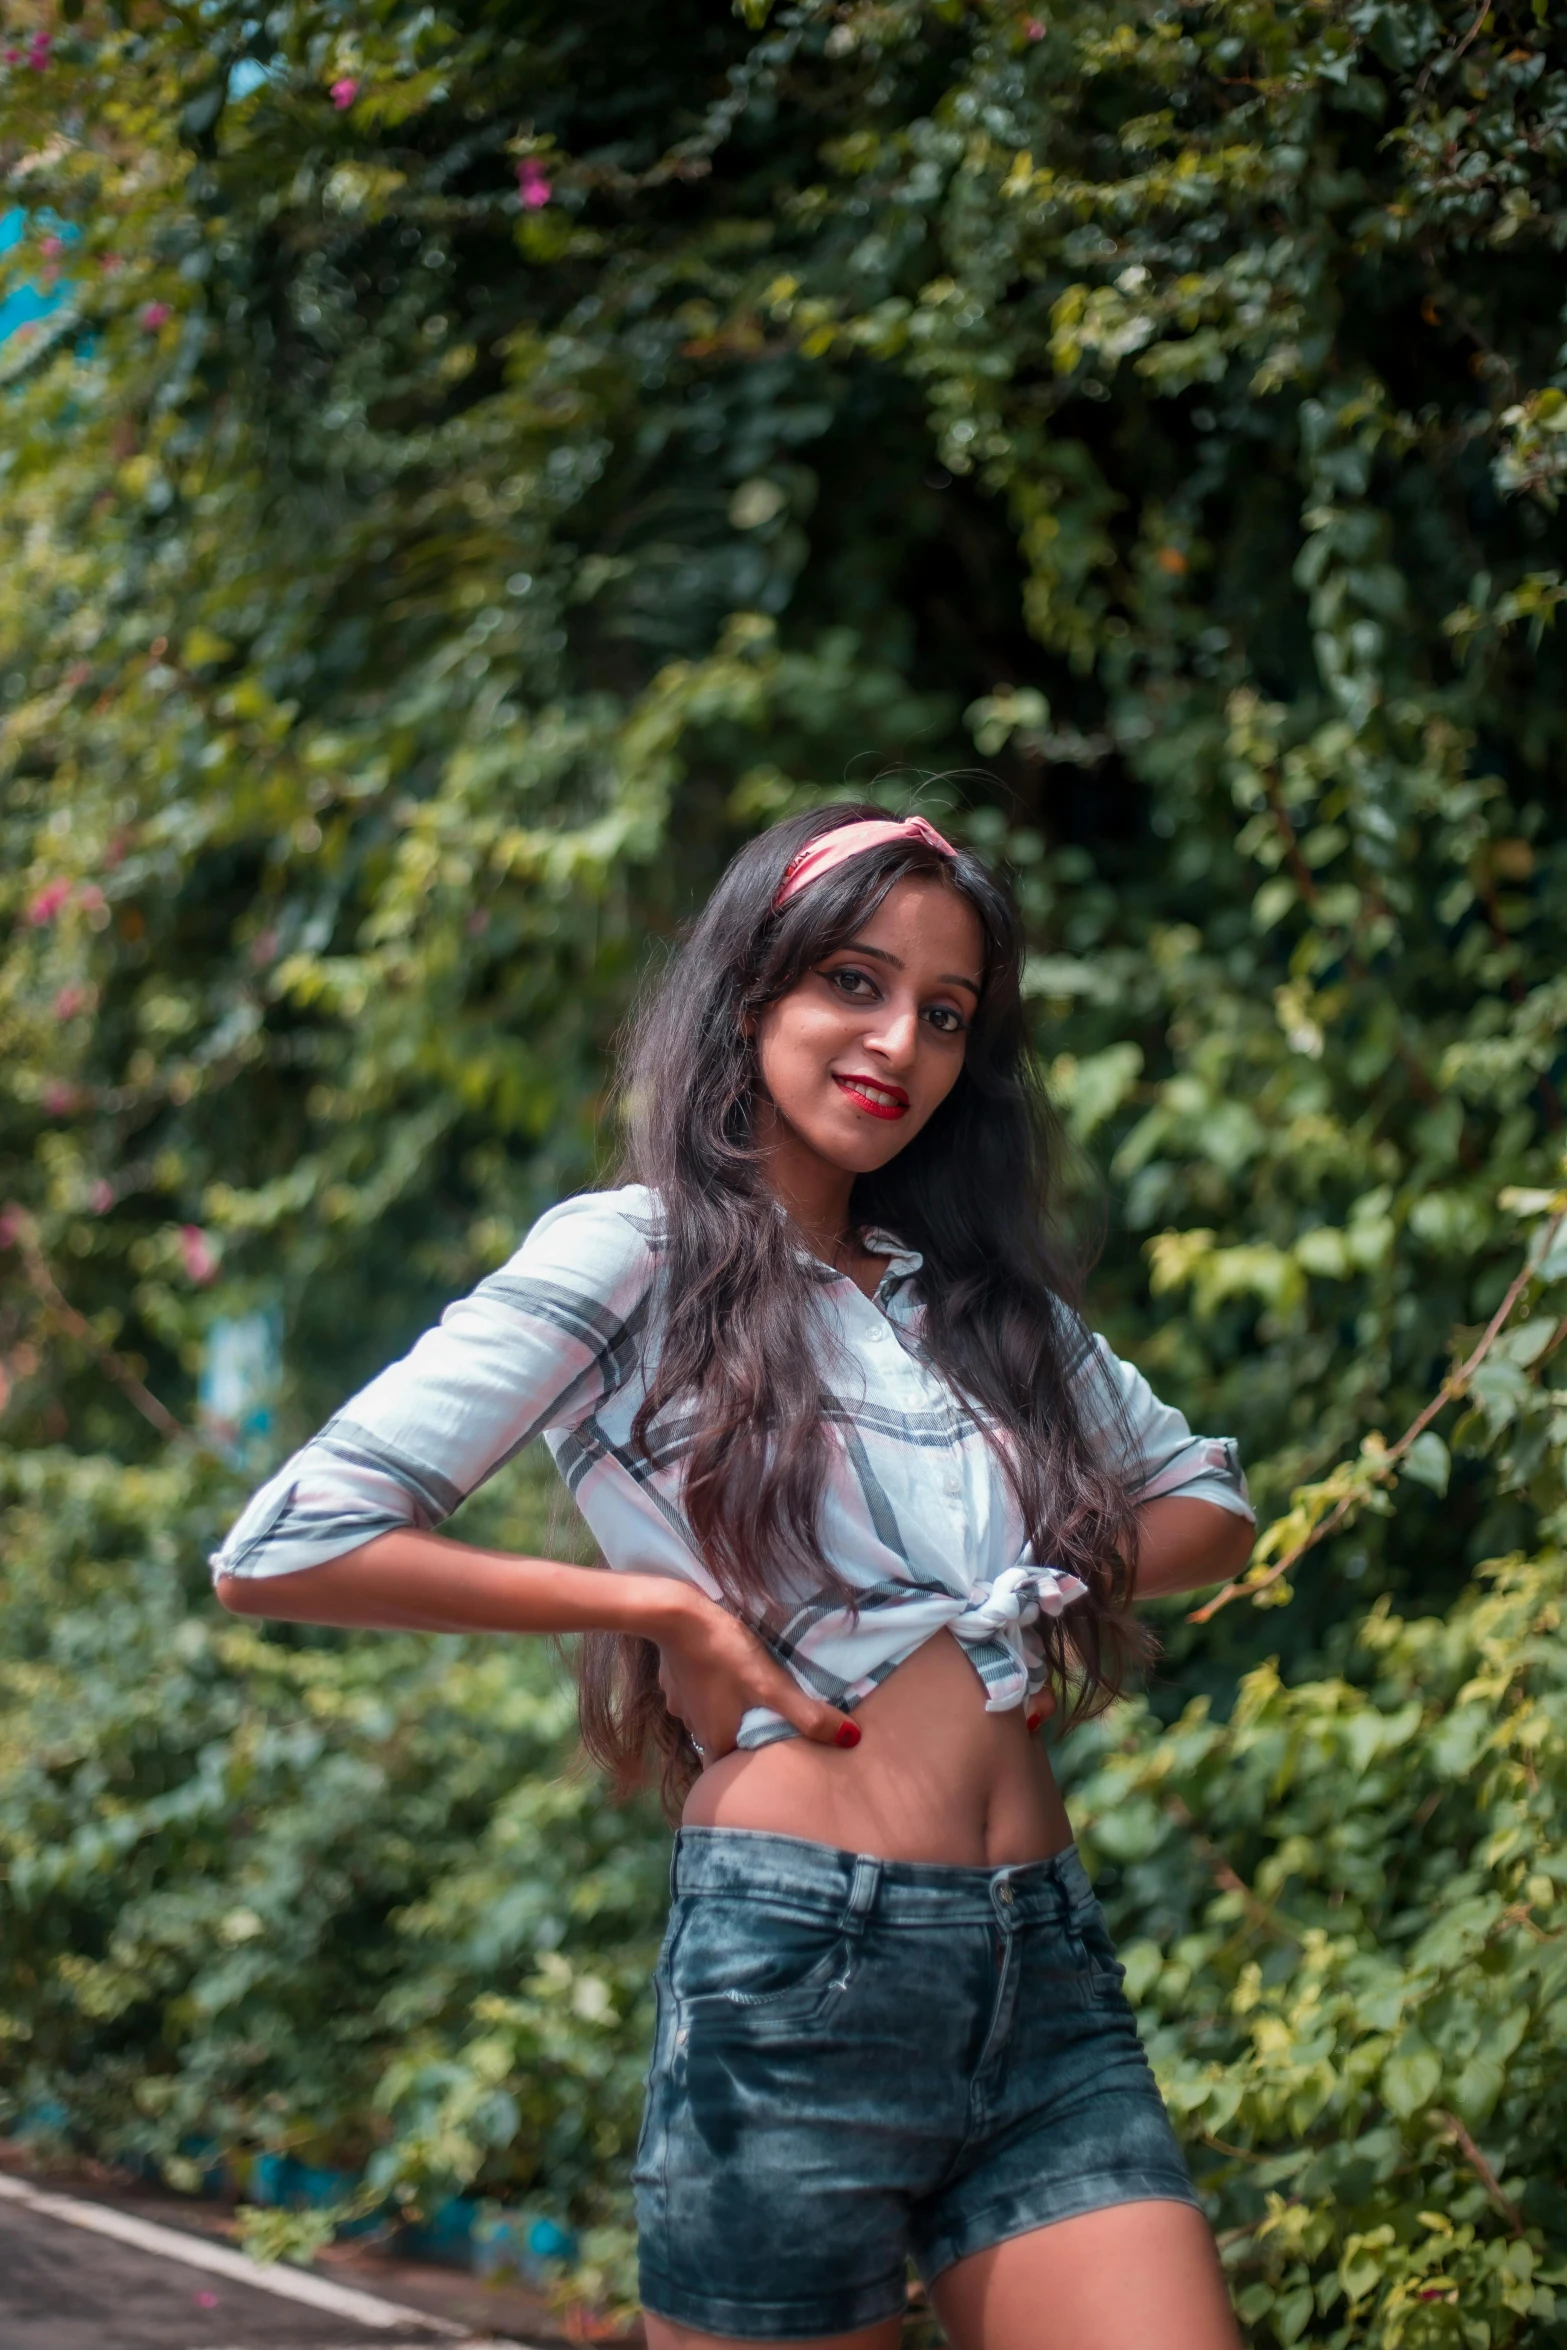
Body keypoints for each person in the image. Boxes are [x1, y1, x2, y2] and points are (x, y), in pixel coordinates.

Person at [213, 806, 1256, 2350]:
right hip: (797, 1972)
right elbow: (289, 1540)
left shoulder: (972, 1304)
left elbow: (1207, 1507)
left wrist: (1031, 1570)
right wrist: (660, 1606)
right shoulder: (636, 1255)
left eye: (945, 1013)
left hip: (1039, 1965)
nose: (898, 1039)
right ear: (751, 990)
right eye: (853, 980)